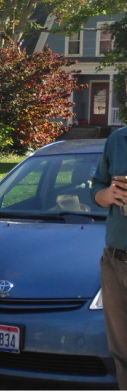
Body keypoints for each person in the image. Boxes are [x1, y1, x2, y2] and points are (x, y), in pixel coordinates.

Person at [92, 128, 127, 391]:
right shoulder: (118, 140)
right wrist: (104, 196)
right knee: (122, 352)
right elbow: (97, 185)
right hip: (115, 260)